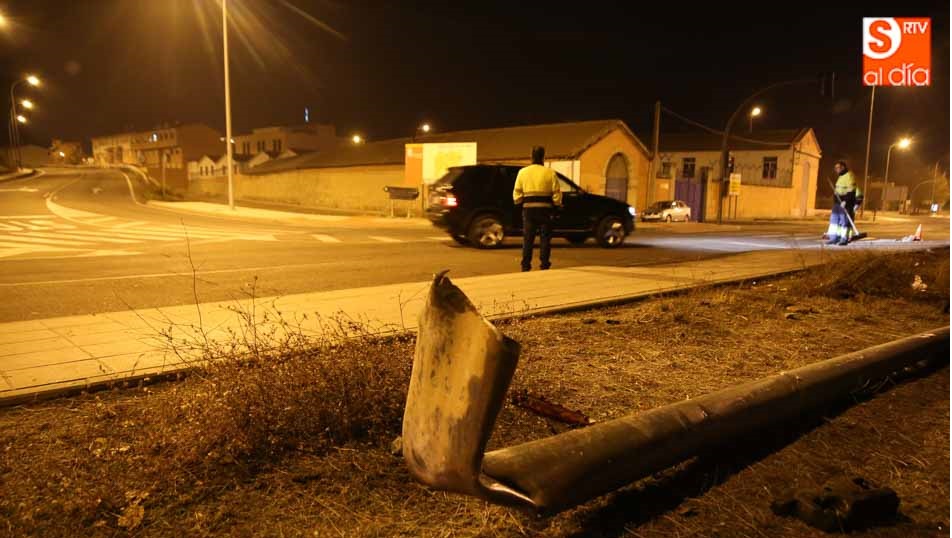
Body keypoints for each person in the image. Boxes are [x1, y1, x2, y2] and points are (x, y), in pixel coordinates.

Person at [513, 146, 562, 271]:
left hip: (529, 210)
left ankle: (525, 265)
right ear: (543, 157)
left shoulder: (523, 172)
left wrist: (519, 202)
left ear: (531, 156)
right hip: (546, 210)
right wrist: (557, 204)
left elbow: (517, 194)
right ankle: (544, 264)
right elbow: (556, 194)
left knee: (528, 239)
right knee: (545, 238)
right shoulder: (550, 173)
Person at [826, 160, 863, 246]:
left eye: (838, 168)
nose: (836, 169)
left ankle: (844, 239)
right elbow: (839, 189)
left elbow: (851, 191)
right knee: (834, 221)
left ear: (843, 167)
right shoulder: (840, 176)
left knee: (844, 221)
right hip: (837, 203)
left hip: (845, 203)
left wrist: (846, 201)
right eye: (835, 168)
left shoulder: (849, 176)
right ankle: (834, 238)